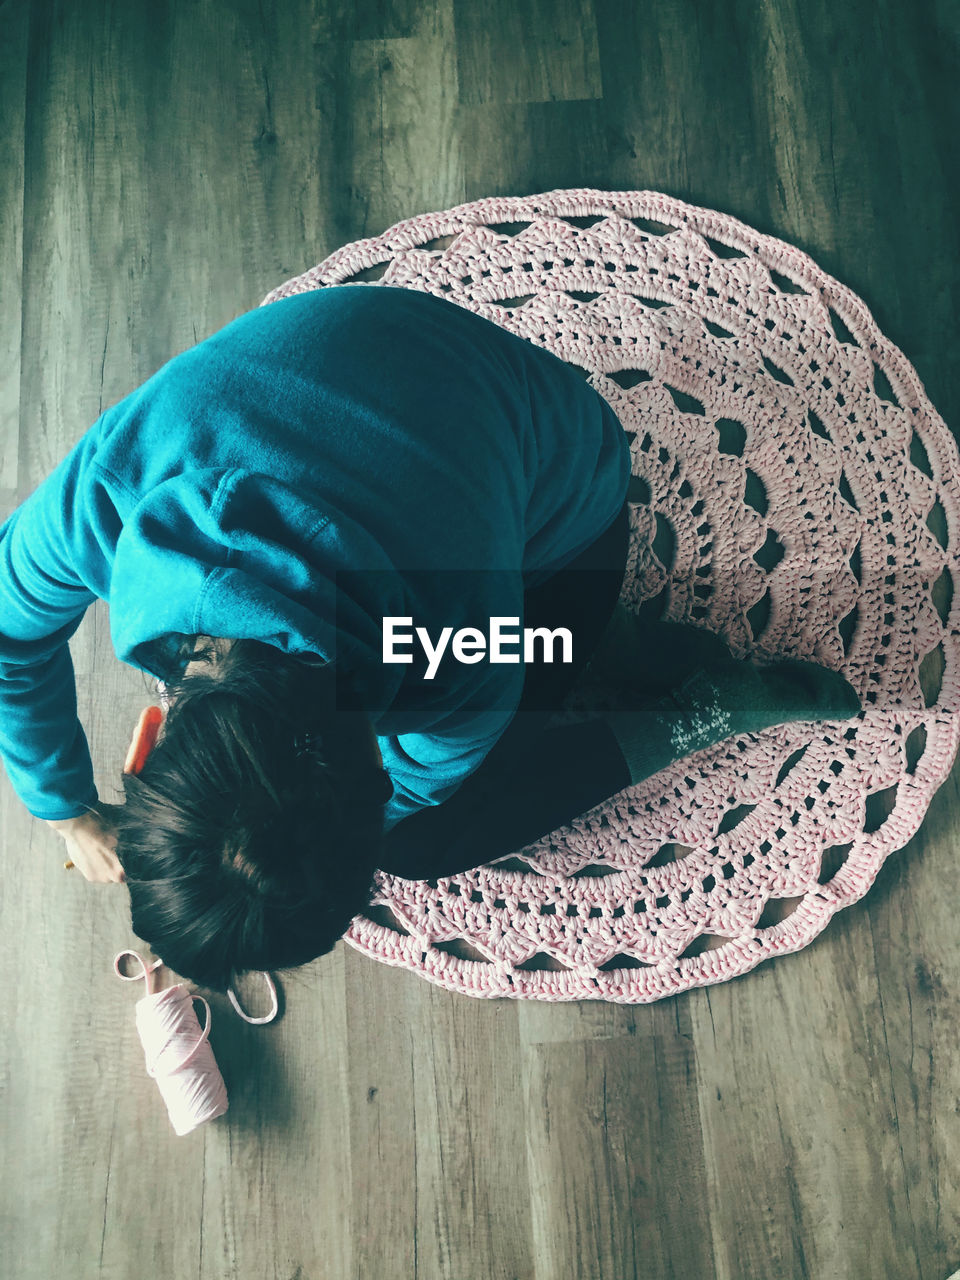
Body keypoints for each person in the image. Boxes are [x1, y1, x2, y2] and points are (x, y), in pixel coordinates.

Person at [0, 284, 862, 993]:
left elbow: (415, 787)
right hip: (393, 368)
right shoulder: (103, 499)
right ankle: (629, 655)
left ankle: (686, 711)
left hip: (570, 514)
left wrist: (365, 822)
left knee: (420, 844)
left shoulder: (452, 649)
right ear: (145, 740)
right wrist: (65, 806)